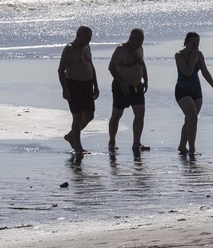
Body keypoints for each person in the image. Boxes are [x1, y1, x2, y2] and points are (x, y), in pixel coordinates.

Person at [174, 32, 213, 159]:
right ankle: (192, 149)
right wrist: (193, 60)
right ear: (187, 43)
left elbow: (204, 71)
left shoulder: (199, 55)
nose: (196, 46)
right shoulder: (179, 55)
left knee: (189, 120)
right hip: (182, 90)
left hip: (196, 91)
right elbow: (187, 73)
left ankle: (182, 146)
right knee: (193, 118)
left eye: (198, 44)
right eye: (193, 44)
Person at [58, 25, 99, 158]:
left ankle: (71, 136)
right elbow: (61, 70)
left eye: (90, 37)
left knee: (89, 115)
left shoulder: (87, 47)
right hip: (74, 85)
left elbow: (91, 65)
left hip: (87, 85)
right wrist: (65, 89)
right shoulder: (70, 49)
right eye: (87, 37)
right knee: (77, 117)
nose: (89, 40)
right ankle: (78, 147)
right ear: (79, 36)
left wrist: (96, 85)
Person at [107, 28, 149, 156]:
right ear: (131, 38)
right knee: (117, 114)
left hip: (137, 86)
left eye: (142, 41)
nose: (140, 44)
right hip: (122, 86)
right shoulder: (121, 49)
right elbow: (111, 67)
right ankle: (112, 141)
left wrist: (146, 79)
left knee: (140, 113)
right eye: (138, 41)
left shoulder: (140, 49)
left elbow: (142, 64)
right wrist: (122, 82)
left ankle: (137, 142)